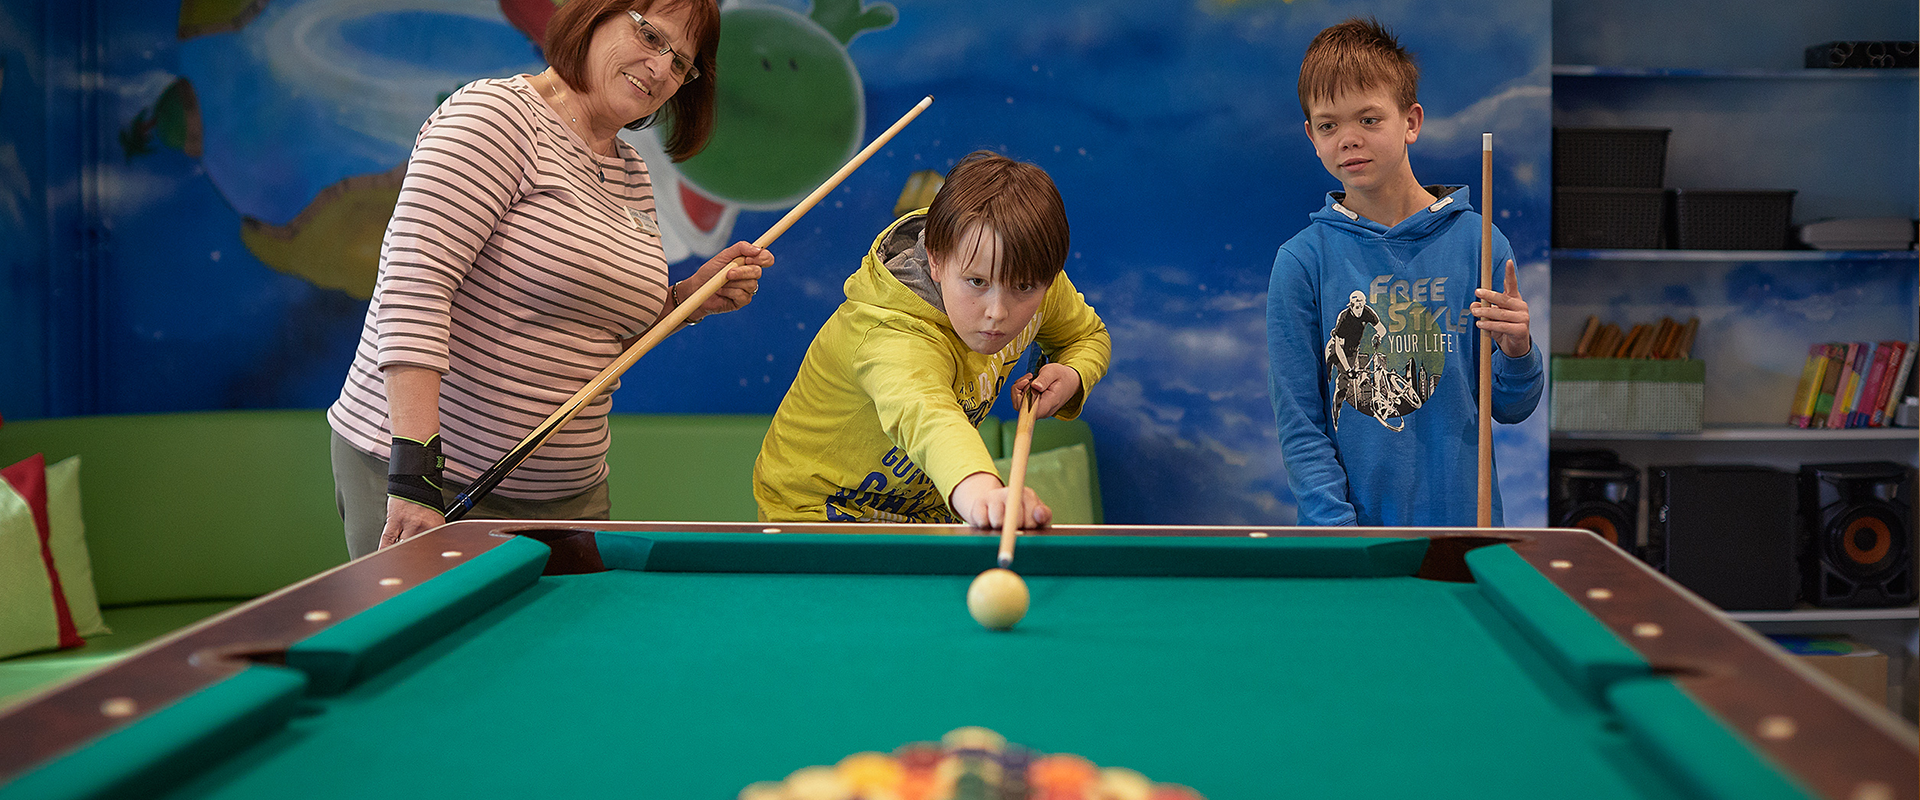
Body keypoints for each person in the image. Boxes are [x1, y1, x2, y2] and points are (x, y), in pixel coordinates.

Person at [327, 0, 773, 559]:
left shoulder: (630, 171)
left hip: (570, 499)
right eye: (650, 35)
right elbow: (413, 288)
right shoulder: (495, 117)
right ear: (594, 14)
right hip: (436, 485)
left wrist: (690, 298)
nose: (662, 69)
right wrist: (415, 476)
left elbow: (598, 331)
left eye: (682, 62)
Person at [1266, 17, 1542, 527]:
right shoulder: (1301, 262)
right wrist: (1337, 535)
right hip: (1350, 541)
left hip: (1464, 533)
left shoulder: (1479, 245)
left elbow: (1511, 406)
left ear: (1411, 121)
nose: (1348, 139)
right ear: (1311, 136)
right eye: (1329, 125)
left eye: (1369, 120)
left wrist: (1519, 350)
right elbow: (1301, 424)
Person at [753, 152, 1111, 528]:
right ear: (936, 260)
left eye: (1023, 287)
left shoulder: (1026, 275)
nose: (998, 312)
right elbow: (928, 419)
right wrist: (985, 495)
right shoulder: (889, 333)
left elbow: (1087, 336)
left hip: (927, 511)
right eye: (977, 282)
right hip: (822, 513)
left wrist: (1072, 374)